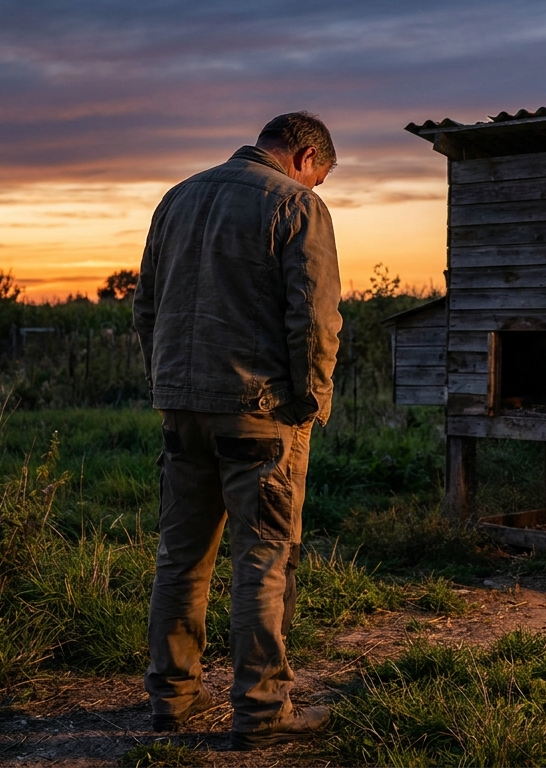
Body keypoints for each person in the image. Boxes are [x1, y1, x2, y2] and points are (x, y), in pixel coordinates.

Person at [132, 111, 342, 750]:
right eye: (320, 177)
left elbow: (146, 307)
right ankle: (259, 710)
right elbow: (314, 316)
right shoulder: (297, 205)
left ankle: (171, 697)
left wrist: (168, 385)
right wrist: (312, 402)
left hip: (180, 406)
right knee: (263, 558)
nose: (317, 187)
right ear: (305, 156)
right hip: (258, 410)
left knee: (181, 556)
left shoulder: (177, 197)